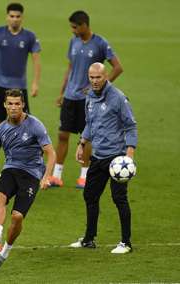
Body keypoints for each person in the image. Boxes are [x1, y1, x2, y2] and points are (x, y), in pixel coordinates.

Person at [0, 89, 55, 273]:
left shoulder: (35, 125)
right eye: (10, 103)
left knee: (17, 217)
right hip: (10, 169)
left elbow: (51, 152)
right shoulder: (1, 129)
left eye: (17, 103)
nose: (14, 107)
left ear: (23, 104)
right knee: (0, 196)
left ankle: (3, 254)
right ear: (5, 105)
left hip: (31, 174)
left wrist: (47, 176)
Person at [48, 10, 123, 189]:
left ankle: (84, 176)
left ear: (84, 25)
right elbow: (70, 68)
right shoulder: (73, 41)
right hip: (70, 96)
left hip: (88, 99)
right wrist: (62, 92)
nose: (72, 30)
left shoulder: (100, 43)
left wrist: (100, 85)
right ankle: (56, 175)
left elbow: (118, 67)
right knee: (62, 134)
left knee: (86, 137)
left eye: (74, 27)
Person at [69, 63, 137, 254]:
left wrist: (129, 157)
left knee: (119, 198)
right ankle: (89, 239)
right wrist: (82, 144)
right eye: (91, 77)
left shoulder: (118, 98)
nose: (94, 81)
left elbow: (130, 126)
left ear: (106, 76)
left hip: (116, 158)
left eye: (98, 77)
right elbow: (90, 124)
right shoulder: (89, 96)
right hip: (97, 157)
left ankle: (126, 242)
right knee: (90, 195)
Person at [0, 2, 41, 171]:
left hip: (20, 87)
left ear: (22, 17)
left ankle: (24, 157)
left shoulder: (29, 36)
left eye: (17, 16)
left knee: (25, 123)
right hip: (0, 85)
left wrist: (35, 82)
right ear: (7, 16)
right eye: (12, 16)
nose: (14, 19)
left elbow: (36, 60)